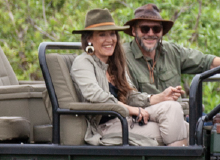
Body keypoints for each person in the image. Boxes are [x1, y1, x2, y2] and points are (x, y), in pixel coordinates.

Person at [123, 3, 220, 112]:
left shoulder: (171, 51)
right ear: (134, 31)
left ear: (162, 33)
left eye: (156, 28)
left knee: (214, 127)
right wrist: (158, 98)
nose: (150, 33)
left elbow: (209, 62)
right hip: (144, 118)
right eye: (144, 28)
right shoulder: (123, 56)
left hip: (178, 115)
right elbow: (127, 98)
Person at [69, 8, 187, 146]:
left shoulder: (115, 62)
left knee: (172, 107)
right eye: (102, 35)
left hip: (124, 119)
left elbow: (130, 95)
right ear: (89, 38)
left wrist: (159, 97)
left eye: (112, 34)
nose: (109, 40)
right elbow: (95, 95)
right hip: (105, 126)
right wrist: (130, 110)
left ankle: (173, 159)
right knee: (185, 132)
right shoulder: (83, 62)